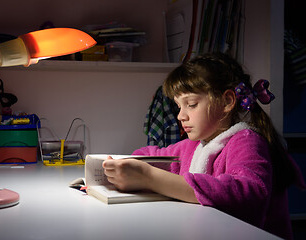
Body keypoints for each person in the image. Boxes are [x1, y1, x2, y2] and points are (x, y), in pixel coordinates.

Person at [102, 52, 305, 239]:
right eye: (178, 106)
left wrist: (149, 177)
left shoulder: (247, 141)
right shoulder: (195, 146)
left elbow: (247, 193)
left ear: (227, 101)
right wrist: (124, 163)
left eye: (191, 104)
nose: (181, 115)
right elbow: (156, 155)